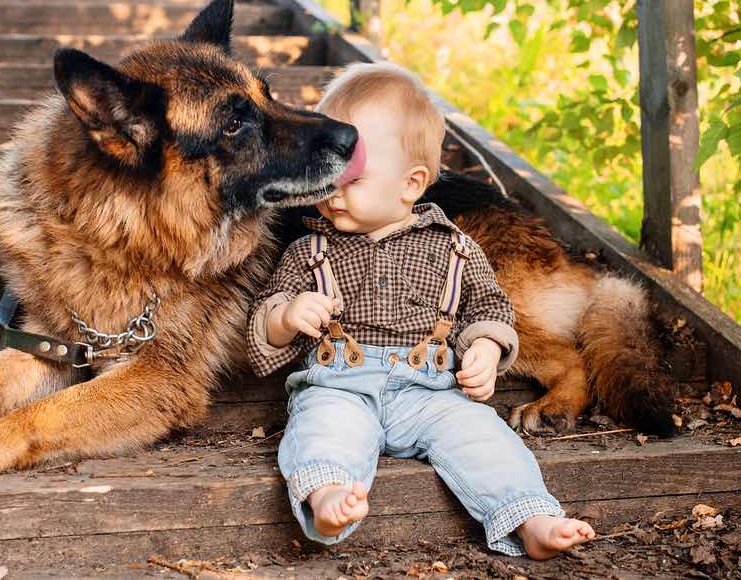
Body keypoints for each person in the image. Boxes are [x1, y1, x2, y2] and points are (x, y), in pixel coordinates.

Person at [246, 62, 595, 559]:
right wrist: (285, 317)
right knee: (320, 430)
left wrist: (488, 346)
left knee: (483, 435)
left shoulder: (455, 247)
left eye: (353, 178)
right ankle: (326, 495)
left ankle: (532, 514)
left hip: (433, 390)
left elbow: (490, 304)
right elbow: (268, 313)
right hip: (341, 386)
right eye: (329, 178)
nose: (331, 192)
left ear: (411, 185)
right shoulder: (310, 249)